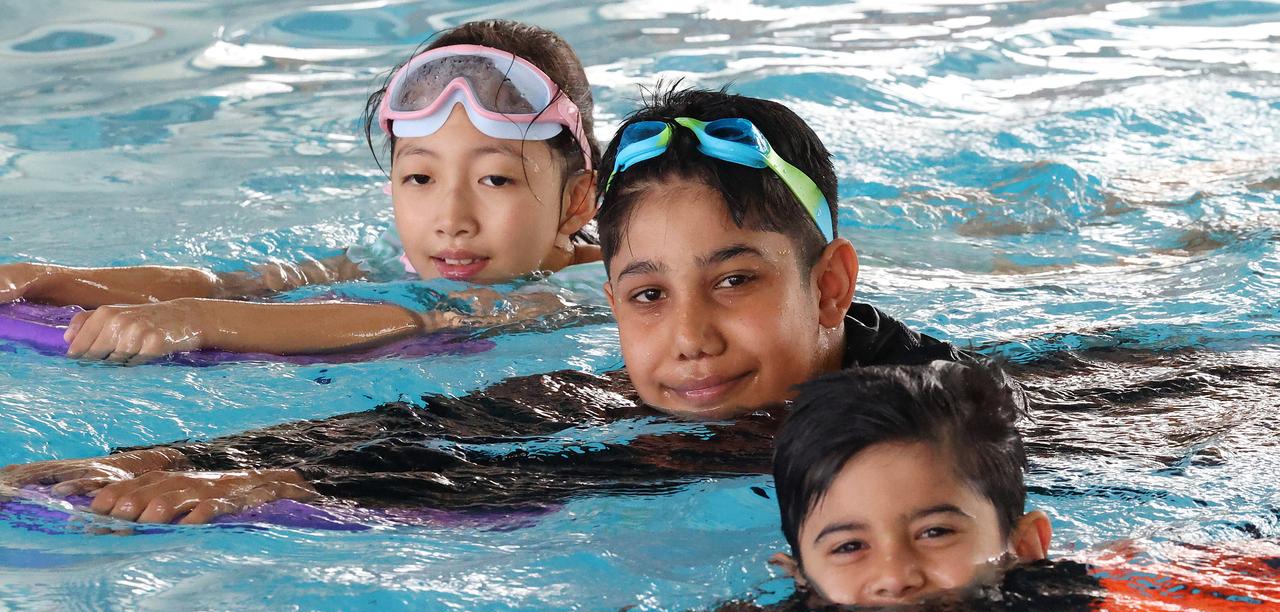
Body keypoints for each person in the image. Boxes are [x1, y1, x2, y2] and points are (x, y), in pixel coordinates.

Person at [0, 87, 976, 521]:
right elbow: (455, 426)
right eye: (645, 294)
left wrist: (296, 491)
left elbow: (576, 478)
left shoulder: (936, 430)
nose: (688, 338)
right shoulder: (681, 390)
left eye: (734, 279)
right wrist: (166, 459)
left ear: (831, 286)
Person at [351, 361, 1280, 612]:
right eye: (848, 548)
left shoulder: (1034, 603)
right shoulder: (824, 605)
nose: (896, 573)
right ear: (795, 568)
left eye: (937, 529)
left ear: (1026, 543)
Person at [0, 20, 601, 363]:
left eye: (494, 179)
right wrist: (41, 279)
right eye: (421, 177)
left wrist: (194, 323)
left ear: (577, 201)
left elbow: (412, 320)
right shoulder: (389, 257)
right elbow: (235, 284)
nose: (451, 219)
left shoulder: (598, 289)